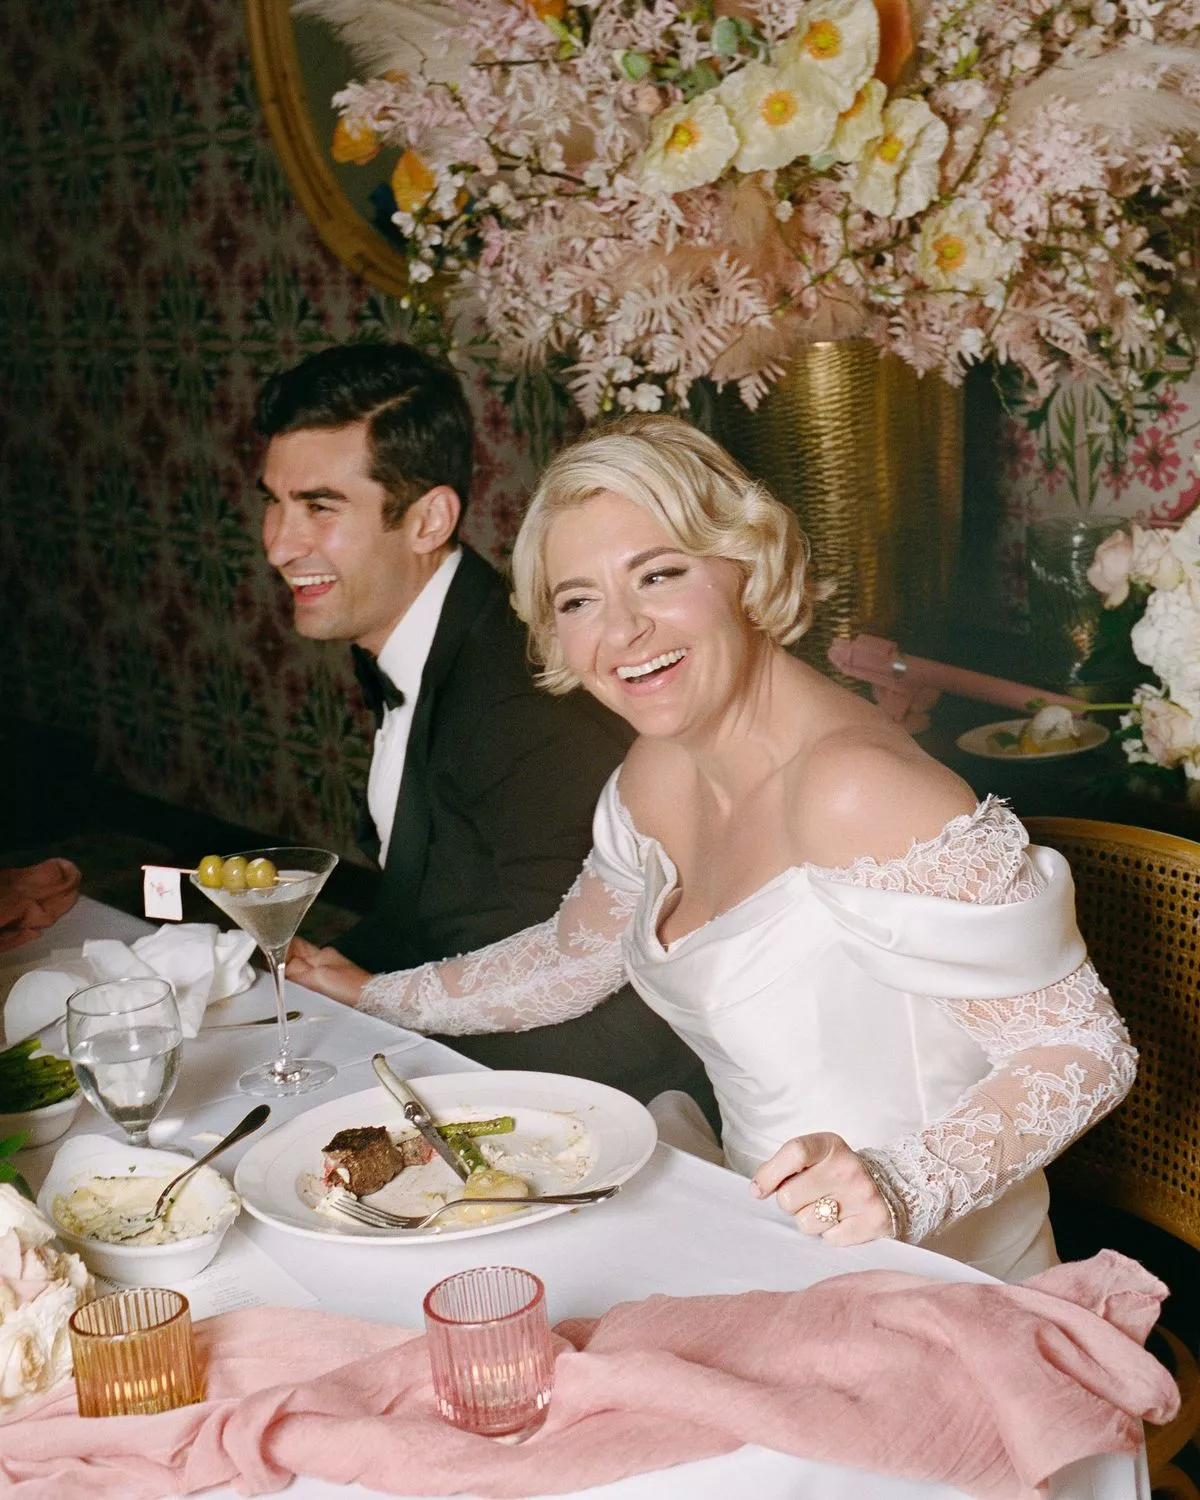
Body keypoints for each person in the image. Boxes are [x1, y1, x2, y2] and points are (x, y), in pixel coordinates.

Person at [287, 412, 1136, 1281]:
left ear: (747, 569)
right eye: (579, 601)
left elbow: (1083, 1048)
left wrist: (899, 1185)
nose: (621, 631)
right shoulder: (655, 773)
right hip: (755, 1236)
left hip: (926, 1274)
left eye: (658, 575)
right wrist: (381, 995)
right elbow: (570, 958)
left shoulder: (854, 787)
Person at [257, 345, 712, 1109]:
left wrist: (382, 1030)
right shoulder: (435, 643)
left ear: (429, 519)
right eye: (273, 502)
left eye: (320, 508)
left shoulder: (521, 704)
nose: (279, 544)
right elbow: (437, 916)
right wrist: (327, 978)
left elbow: (623, 1014)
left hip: (582, 1100)